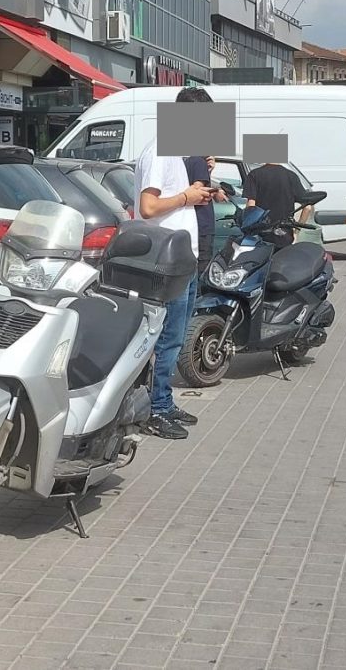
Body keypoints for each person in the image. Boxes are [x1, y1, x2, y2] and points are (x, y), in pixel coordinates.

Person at [132, 88, 219, 440]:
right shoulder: (159, 151)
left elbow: (175, 203)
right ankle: (154, 408)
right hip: (165, 261)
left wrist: (197, 193)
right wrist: (187, 196)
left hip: (182, 258)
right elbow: (148, 208)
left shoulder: (177, 155)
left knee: (173, 338)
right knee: (165, 340)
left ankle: (164, 402)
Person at [245, 159, 304, 249]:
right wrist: (296, 232)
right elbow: (307, 207)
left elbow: (251, 205)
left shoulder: (255, 174)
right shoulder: (291, 175)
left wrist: (247, 228)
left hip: (261, 234)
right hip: (284, 233)